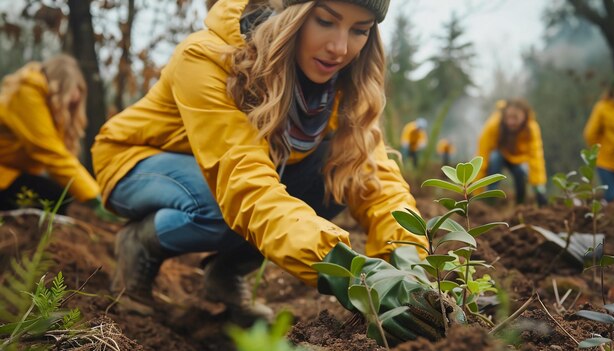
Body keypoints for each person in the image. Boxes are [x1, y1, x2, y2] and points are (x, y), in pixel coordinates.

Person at [91, 0, 463, 343]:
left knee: (339, 174)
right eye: (325, 21)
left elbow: (376, 180)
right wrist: (351, 274)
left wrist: (411, 264)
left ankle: (226, 272)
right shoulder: (207, 57)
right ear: (293, 15)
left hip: (227, 173)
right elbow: (242, 184)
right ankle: (139, 243)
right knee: (222, 204)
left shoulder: (341, 82)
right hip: (138, 162)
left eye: (359, 30)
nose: (340, 47)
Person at [0, 54, 112, 218]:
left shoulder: (43, 102)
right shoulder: (26, 94)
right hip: (4, 176)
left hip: (10, 174)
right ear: (60, 85)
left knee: (58, 193)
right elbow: (51, 153)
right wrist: (94, 196)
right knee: (56, 195)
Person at [476, 99, 548, 206]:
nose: (511, 122)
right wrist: (476, 190)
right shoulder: (493, 125)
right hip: (499, 154)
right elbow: (482, 156)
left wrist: (539, 189)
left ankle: (520, 204)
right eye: (508, 118)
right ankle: (490, 199)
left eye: (515, 118)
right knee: (495, 159)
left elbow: (536, 159)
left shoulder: (531, 129)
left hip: (517, 159)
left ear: (525, 116)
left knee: (520, 174)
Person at [584, 73, 614, 202]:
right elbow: (590, 133)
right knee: (613, 197)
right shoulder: (602, 108)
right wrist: (599, 150)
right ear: (613, 91)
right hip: (607, 161)